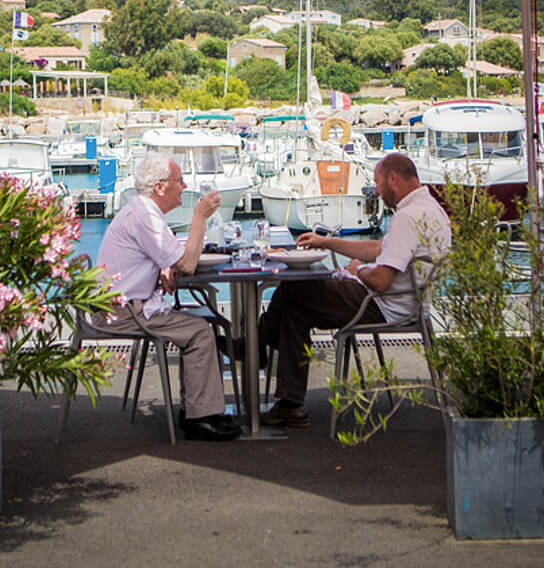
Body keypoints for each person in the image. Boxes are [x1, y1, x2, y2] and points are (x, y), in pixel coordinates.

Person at [259, 151, 451, 428]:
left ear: (393, 179)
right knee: (295, 306)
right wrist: (327, 242)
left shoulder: (407, 218)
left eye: (378, 182)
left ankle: (258, 345)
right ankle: (288, 401)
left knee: (295, 289)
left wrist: (357, 270)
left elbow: (381, 280)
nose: (376, 190)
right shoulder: (431, 210)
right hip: (407, 305)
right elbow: (377, 249)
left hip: (382, 306)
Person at [95, 151, 242, 442]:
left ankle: (197, 409)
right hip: (125, 312)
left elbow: (165, 255)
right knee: (200, 332)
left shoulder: (140, 210)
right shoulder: (146, 215)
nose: (184, 186)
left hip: (120, 305)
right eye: (179, 181)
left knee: (198, 329)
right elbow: (187, 264)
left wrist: (163, 264)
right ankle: (199, 418)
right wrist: (199, 217)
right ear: (160, 187)